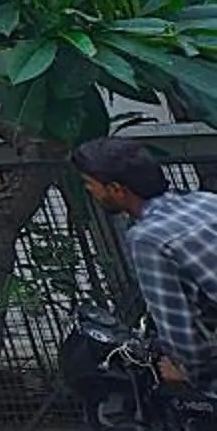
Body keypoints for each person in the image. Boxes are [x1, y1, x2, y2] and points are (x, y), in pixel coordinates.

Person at [72, 135, 217, 386]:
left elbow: (178, 324)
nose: (89, 191)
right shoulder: (208, 201)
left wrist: (187, 371)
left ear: (116, 189)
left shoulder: (147, 238)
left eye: (90, 184)